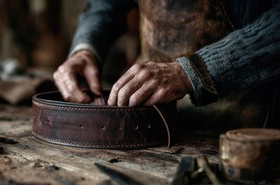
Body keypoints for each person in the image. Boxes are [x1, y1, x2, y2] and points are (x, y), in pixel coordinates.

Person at [53, 0, 280, 132]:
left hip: (243, 131)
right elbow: (106, 5)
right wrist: (85, 48)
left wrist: (192, 71)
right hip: (148, 123)